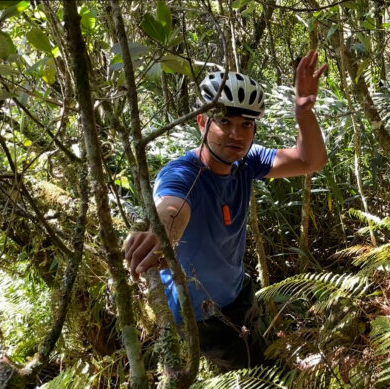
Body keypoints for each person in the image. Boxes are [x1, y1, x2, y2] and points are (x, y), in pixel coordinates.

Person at [123, 51, 328, 371]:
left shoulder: (247, 162)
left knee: (264, 360)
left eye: (246, 124)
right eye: (225, 122)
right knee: (267, 386)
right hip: (205, 316)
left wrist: (303, 110)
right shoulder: (183, 174)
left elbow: (309, 161)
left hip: (238, 292)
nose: (237, 133)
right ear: (202, 122)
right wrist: (160, 234)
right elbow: (172, 209)